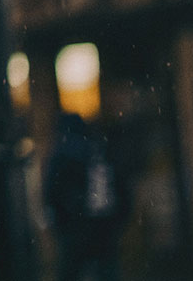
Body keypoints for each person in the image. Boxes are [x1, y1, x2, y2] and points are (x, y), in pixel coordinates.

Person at [44, 112, 126, 281]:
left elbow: (52, 191)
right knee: (106, 269)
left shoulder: (63, 153)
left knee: (71, 270)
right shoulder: (99, 150)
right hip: (103, 224)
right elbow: (121, 186)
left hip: (76, 224)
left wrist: (60, 220)